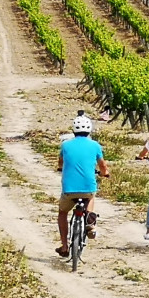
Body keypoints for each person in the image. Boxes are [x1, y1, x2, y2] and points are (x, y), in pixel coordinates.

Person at [55, 110, 109, 258]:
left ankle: (65, 246)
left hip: (69, 190)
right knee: (91, 197)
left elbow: (61, 161)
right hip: (87, 189)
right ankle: (90, 224)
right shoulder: (95, 145)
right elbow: (102, 165)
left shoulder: (65, 145)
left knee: (62, 213)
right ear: (89, 130)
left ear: (73, 130)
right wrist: (105, 173)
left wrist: (60, 168)